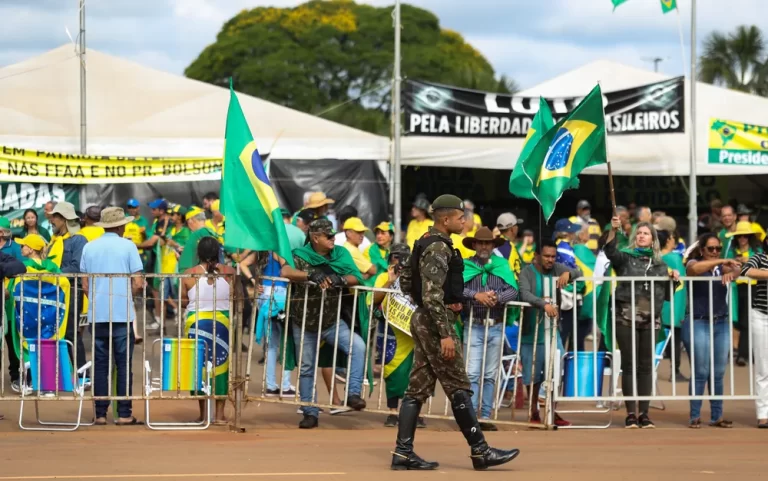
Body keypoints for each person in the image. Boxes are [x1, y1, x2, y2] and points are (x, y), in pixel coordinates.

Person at [391, 194, 518, 471]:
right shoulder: (438, 248)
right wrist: (445, 332)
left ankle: (403, 453)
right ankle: (480, 450)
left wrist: (438, 306)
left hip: (429, 320)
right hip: (437, 324)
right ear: (445, 219)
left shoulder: (429, 242)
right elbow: (431, 294)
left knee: (417, 389)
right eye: (461, 217)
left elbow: (410, 282)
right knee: (458, 385)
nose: (465, 221)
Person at [280, 219, 367, 429]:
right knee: (307, 368)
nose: (332, 239)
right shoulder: (300, 255)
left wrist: (341, 280)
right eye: (328, 236)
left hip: (332, 320)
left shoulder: (340, 254)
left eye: (333, 235)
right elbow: (286, 272)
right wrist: (311, 274)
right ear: (315, 237)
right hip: (304, 322)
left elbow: (357, 276)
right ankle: (310, 412)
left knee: (358, 346)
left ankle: (353, 393)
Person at [605, 216, 679, 429]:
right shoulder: (625, 258)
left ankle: (644, 414)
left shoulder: (660, 264)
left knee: (646, 366)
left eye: (645, 233)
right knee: (629, 365)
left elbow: (667, 296)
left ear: (653, 239)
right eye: (638, 233)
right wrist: (613, 230)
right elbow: (610, 252)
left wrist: (672, 279)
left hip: (651, 318)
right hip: (625, 315)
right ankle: (630, 414)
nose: (641, 236)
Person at [80, 207, 144, 426]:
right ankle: (124, 413)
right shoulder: (128, 245)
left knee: (99, 364)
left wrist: (98, 298)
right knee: (123, 364)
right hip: (121, 313)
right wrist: (126, 296)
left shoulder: (89, 247)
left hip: (97, 313)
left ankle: (100, 414)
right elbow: (137, 282)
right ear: (120, 226)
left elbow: (85, 284)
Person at [461, 227, 519, 430]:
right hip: (474, 324)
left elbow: (513, 289)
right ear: (474, 245)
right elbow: (456, 287)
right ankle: (471, 418)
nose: (484, 246)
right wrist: (476, 295)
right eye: (481, 243)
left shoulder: (502, 265)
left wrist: (497, 298)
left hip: (495, 325)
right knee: (472, 373)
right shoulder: (466, 265)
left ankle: (484, 416)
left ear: (493, 245)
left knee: (490, 374)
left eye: (488, 243)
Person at [518, 239, 578, 426]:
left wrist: (568, 273)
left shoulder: (557, 268)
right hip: (530, 331)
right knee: (532, 375)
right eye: (546, 256)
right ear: (537, 256)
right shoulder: (527, 272)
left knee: (555, 372)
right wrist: (543, 304)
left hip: (552, 332)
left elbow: (579, 272)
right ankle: (534, 411)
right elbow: (524, 293)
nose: (550, 260)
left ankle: (553, 411)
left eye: (553, 256)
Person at [683, 233, 739, 428]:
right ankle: (695, 415)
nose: (715, 252)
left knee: (718, 372)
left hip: (721, 322)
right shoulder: (692, 262)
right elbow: (694, 269)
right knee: (701, 371)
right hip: (698, 321)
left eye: (718, 248)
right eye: (711, 249)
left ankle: (717, 416)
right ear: (702, 250)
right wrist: (723, 261)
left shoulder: (719, 268)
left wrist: (732, 270)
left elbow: (738, 269)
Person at [180, 236, 236, 424]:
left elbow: (183, 301)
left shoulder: (189, 274)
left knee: (199, 368)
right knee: (221, 368)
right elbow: (237, 297)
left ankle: (203, 414)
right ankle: (219, 415)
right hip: (221, 324)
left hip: (196, 323)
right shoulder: (229, 272)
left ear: (199, 253)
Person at [369, 243, 422, 427]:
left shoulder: (418, 277)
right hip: (392, 331)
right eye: (396, 257)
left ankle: (414, 413)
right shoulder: (383, 276)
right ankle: (392, 412)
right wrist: (390, 281)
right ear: (390, 259)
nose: (400, 261)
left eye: (404, 257)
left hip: (413, 333)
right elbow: (373, 300)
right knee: (393, 371)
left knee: (416, 373)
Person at [47, 202, 88, 374]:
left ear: (64, 219)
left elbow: (76, 267)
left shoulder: (79, 239)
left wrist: (51, 273)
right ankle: (61, 375)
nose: (52, 221)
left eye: (55, 217)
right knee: (54, 333)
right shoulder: (54, 240)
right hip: (53, 292)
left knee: (71, 333)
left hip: (71, 291)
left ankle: (82, 374)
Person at [725, 221, 763, 366]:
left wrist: (748, 262)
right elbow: (725, 268)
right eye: (740, 236)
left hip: (753, 289)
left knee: (748, 321)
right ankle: (748, 353)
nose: (742, 238)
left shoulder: (757, 251)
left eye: (745, 236)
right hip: (736, 289)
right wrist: (734, 263)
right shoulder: (731, 251)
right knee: (739, 322)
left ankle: (742, 354)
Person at [739, 249, 768, 428]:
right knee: (763, 368)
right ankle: (763, 413)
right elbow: (745, 270)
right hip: (762, 316)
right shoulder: (760, 257)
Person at [657, 229, 688, 382]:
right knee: (675, 339)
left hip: (660, 303)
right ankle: (675, 372)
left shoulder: (657, 257)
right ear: (668, 240)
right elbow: (682, 282)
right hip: (674, 302)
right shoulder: (674, 258)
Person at [178, 208, 218, 272]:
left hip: (193, 275)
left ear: (191, 220)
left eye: (187, 222)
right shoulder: (211, 233)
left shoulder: (197, 234)